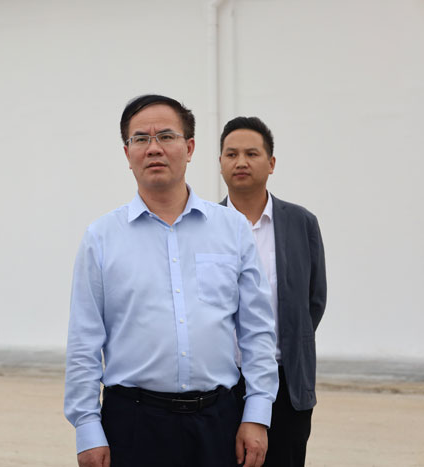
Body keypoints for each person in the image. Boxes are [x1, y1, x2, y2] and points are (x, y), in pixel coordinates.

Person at [64, 94, 278, 467]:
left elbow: (257, 330)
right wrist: (87, 427)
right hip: (133, 424)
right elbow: (84, 341)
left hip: (218, 422)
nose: (154, 148)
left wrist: (257, 414)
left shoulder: (231, 229)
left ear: (189, 147)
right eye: (140, 139)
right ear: (127, 153)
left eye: (166, 136)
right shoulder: (101, 237)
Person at [218, 116, 326, 467]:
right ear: (220, 163)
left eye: (252, 153)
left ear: (271, 163)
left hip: (285, 381)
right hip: (219, 383)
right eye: (231, 154)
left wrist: (288, 344)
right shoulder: (204, 224)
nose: (241, 162)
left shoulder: (301, 222)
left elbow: (314, 300)